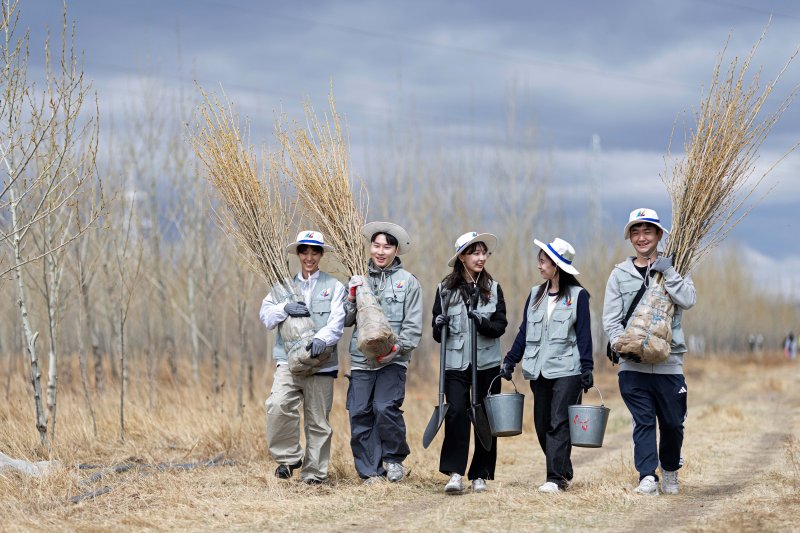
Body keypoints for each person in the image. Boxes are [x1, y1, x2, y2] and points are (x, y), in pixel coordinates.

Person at [602, 208, 696, 496]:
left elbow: (688, 300)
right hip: (633, 366)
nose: (641, 238)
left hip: (669, 364)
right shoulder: (620, 274)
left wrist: (668, 270)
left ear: (659, 235)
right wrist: (623, 344)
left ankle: (669, 471)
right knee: (642, 421)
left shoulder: (676, 268)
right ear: (630, 237)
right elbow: (610, 318)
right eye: (635, 232)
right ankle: (647, 477)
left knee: (672, 424)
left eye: (647, 231)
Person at [500, 237, 593, 493]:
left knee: (558, 422)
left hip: (568, 369)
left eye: (543, 261)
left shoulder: (578, 296)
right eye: (539, 261)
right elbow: (524, 331)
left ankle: (555, 478)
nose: (539, 266)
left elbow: (584, 334)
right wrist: (510, 361)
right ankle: (563, 468)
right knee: (542, 424)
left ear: (557, 265)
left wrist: (587, 368)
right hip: (538, 369)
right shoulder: (535, 294)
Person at [259, 231, 347, 484]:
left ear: (321, 254)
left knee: (318, 421)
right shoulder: (281, 287)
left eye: (315, 251)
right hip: (288, 362)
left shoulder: (334, 286)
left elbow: (338, 321)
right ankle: (288, 458)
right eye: (304, 251)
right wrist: (283, 308)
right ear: (298, 254)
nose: (309, 256)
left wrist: (323, 339)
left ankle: (314, 474)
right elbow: (266, 318)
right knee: (277, 405)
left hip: (322, 363)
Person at [344, 221, 423, 483]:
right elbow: (346, 321)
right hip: (361, 360)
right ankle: (370, 472)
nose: (380, 251)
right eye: (376, 245)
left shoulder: (408, 283)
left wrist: (396, 350)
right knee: (359, 412)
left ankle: (393, 459)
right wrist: (351, 297)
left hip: (394, 360)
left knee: (384, 407)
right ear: (369, 248)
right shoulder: (358, 278)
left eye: (387, 246)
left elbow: (413, 327)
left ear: (396, 250)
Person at [431, 232, 508, 494]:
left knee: (486, 416)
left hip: (486, 363)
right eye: (475, 252)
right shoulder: (445, 290)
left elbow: (500, 325)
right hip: (455, 363)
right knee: (455, 414)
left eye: (484, 252)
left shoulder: (493, 288)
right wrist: (438, 324)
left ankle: (481, 474)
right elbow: (435, 331)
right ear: (461, 257)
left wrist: (482, 322)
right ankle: (455, 473)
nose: (481, 257)